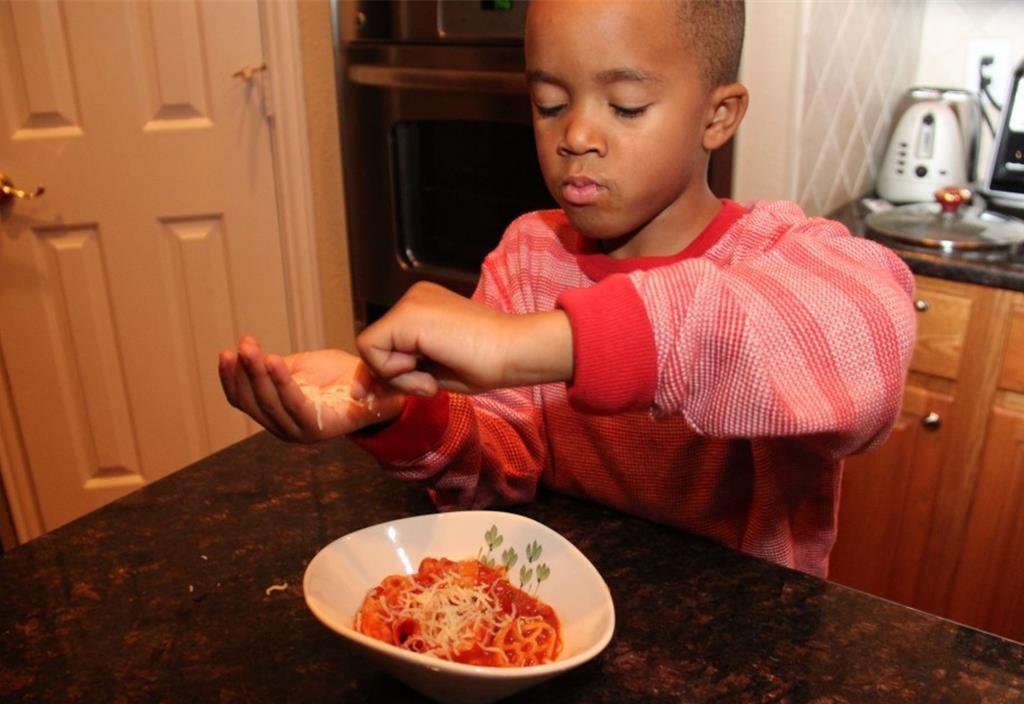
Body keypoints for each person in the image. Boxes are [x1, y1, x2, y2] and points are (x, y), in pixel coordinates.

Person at [219, 0, 916, 577]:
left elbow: (871, 344)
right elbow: (497, 470)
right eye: (550, 103)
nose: (576, 133)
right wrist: (391, 409)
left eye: (627, 105)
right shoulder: (529, 255)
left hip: (745, 653)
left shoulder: (775, 255)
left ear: (718, 116)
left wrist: (537, 344)